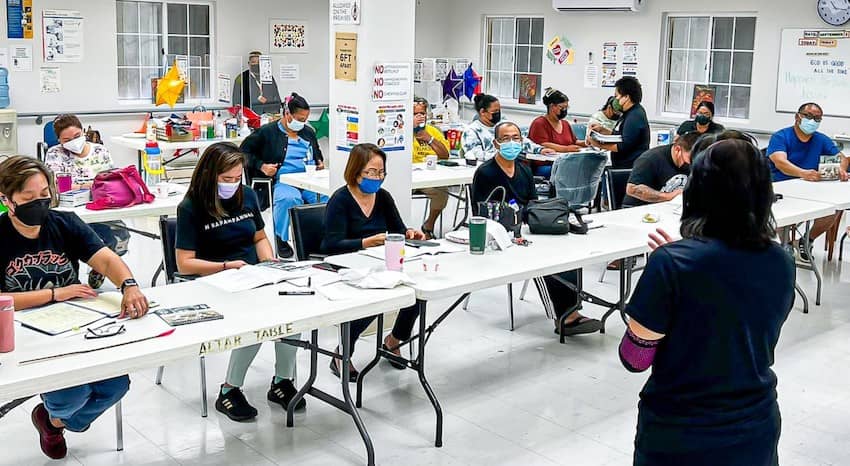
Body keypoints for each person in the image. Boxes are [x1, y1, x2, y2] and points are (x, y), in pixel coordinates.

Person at [619, 138, 794, 466]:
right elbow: (737, 321)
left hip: (681, 431)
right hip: (755, 425)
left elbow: (635, 358)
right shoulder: (782, 261)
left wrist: (664, 275)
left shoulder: (671, 265)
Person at [0, 156, 149, 460]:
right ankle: (57, 416)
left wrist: (129, 285)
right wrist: (55, 294)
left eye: (44, 195)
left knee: (116, 385)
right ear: (6, 200)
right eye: (29, 198)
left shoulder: (65, 222)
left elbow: (106, 260)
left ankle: (52, 422)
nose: (40, 203)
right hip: (21, 332)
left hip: (73, 323)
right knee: (73, 393)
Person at [175, 142, 304, 421]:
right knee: (257, 324)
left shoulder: (246, 196)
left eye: (236, 178)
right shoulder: (191, 207)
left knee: (295, 319)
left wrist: (269, 262)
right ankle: (229, 390)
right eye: (226, 180)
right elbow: (184, 263)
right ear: (210, 175)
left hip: (252, 276)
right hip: (215, 281)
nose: (232, 185)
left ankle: (282, 382)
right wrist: (225, 266)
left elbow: (259, 237)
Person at [471, 122, 602, 336]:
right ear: (496, 143)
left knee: (566, 252)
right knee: (544, 260)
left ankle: (573, 309)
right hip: (501, 237)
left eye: (515, 137)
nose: (511, 142)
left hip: (528, 229)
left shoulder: (523, 168)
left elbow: (532, 204)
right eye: (505, 139)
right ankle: (564, 316)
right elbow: (480, 214)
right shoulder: (486, 173)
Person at [321, 143, 426, 380]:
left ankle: (393, 341)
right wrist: (365, 242)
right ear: (356, 171)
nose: (377, 178)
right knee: (374, 300)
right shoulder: (341, 200)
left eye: (381, 173)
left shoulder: (383, 197)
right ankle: (342, 353)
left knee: (418, 294)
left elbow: (397, 229)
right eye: (371, 172)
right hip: (348, 265)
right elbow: (331, 244)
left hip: (379, 262)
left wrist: (409, 233)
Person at [44, 114, 130, 289]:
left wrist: (79, 185)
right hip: (70, 211)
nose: (73, 142)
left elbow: (111, 180)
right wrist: (92, 184)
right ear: (59, 140)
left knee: (120, 237)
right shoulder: (55, 154)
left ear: (83, 131)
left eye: (76, 136)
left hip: (100, 207)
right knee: (72, 241)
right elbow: (58, 186)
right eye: (66, 139)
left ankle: (99, 268)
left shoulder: (99, 151)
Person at [240, 92, 326, 258]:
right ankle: (281, 237)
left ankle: (320, 238)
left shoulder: (308, 132)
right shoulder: (267, 132)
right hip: (283, 180)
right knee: (289, 199)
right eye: (299, 119)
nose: (303, 123)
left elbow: (316, 152)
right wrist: (262, 166)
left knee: (326, 199)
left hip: (309, 179)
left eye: (305, 119)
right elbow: (243, 152)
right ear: (287, 114)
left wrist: (319, 161)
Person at [766, 102, 849, 262]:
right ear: (798, 117)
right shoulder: (781, 136)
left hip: (812, 190)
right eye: (809, 116)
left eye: (817, 118)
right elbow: (780, 162)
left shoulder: (821, 139)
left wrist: (841, 169)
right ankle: (779, 249)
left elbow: (842, 158)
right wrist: (803, 173)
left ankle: (806, 240)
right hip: (783, 188)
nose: (812, 121)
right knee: (781, 221)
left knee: (831, 211)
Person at [461, 93, 556, 162]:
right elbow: (476, 155)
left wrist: (540, 150)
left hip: (512, 166)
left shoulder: (504, 125)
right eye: (495, 111)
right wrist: (504, 156)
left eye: (499, 110)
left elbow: (523, 141)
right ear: (482, 112)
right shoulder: (472, 131)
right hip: (490, 169)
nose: (498, 113)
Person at [622, 131, 701, 207]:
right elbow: (632, 189)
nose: (692, 163)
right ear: (678, 150)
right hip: (639, 208)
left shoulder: (693, 161)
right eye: (690, 159)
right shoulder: (650, 159)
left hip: (671, 208)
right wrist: (668, 196)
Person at [587, 76, 650, 169]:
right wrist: (603, 130)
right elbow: (620, 135)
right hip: (622, 165)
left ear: (626, 97)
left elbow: (624, 145)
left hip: (630, 167)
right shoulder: (627, 113)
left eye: (617, 96)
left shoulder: (635, 116)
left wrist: (598, 144)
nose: (615, 99)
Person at [412, 96, 451, 238]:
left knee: (442, 191)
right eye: (415, 114)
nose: (420, 117)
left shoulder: (433, 131)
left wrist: (429, 139)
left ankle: (429, 225)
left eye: (422, 113)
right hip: (407, 176)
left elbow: (445, 155)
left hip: (429, 176)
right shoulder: (400, 131)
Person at [527, 88, 587, 177]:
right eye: (562, 107)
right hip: (546, 165)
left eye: (566, 107)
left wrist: (588, 143)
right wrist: (566, 149)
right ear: (552, 106)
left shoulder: (565, 124)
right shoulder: (539, 123)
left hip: (566, 163)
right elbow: (543, 144)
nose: (565, 110)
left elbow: (574, 142)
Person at [232, 51, 282, 115]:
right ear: (249, 63)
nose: (256, 64)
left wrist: (276, 112)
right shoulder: (241, 78)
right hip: (249, 115)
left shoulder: (268, 77)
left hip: (269, 114)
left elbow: (276, 97)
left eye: (259, 62)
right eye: (253, 62)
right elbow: (236, 101)